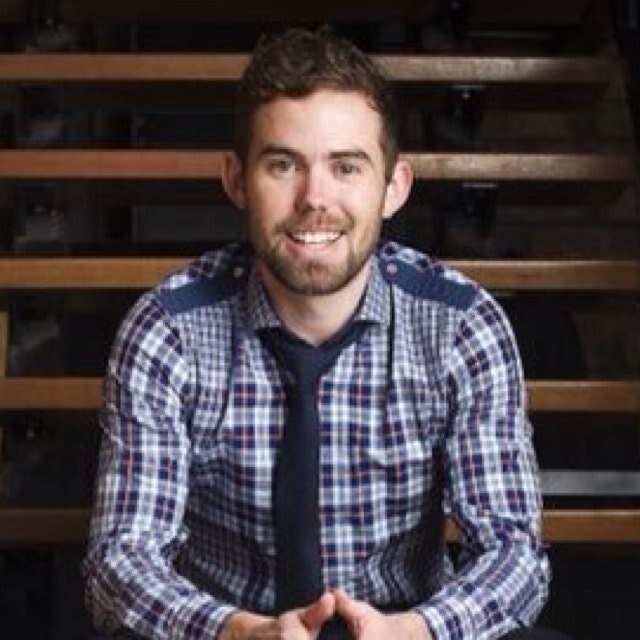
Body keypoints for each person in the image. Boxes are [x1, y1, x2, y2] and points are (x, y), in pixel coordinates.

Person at [83, 27, 559, 640]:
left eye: (346, 167)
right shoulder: (168, 329)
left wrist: (415, 630)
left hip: (406, 627)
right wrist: (241, 632)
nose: (315, 198)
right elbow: (121, 559)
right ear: (235, 179)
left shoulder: (460, 325)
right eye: (283, 165)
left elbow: (513, 552)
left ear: (393, 187)